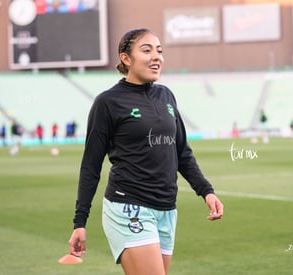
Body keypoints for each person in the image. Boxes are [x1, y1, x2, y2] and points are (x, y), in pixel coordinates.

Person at [67, 28, 224, 275]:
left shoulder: (167, 96)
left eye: (159, 51)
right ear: (126, 59)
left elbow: (181, 151)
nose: (156, 57)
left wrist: (206, 191)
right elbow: (91, 165)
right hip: (129, 206)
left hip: (166, 209)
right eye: (147, 50)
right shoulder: (108, 102)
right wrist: (80, 222)